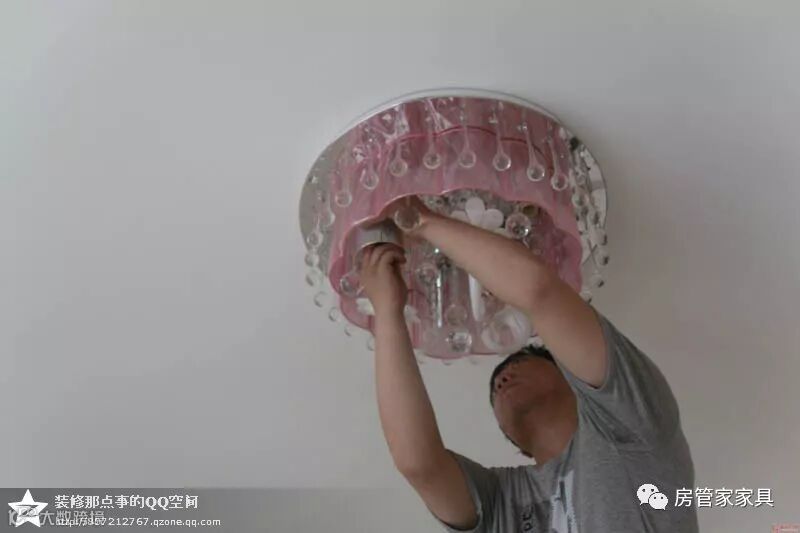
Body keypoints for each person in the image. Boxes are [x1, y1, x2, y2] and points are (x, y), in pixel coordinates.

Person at [358, 198, 698, 532]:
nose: (501, 381)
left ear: (571, 379)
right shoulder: (502, 500)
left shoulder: (628, 422)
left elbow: (540, 293)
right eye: (494, 390)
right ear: (513, 440)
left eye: (521, 361)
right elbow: (420, 462)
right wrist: (387, 312)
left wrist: (420, 220)